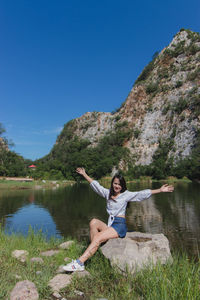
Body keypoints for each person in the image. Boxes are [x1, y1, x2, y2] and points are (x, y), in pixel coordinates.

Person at [63, 167, 174, 272]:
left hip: (119, 226)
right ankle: (94, 249)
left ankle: (80, 263)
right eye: (115, 183)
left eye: (120, 184)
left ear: (123, 186)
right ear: (112, 183)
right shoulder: (108, 194)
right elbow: (96, 185)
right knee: (93, 222)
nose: (117, 186)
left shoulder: (126, 195)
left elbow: (141, 194)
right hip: (111, 224)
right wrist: (84, 174)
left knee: (97, 237)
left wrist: (160, 190)